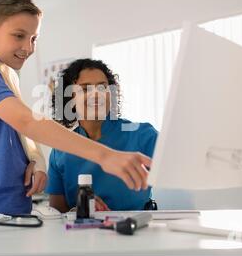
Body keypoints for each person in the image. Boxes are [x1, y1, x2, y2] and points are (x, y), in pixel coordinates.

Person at [0, 0, 151, 215]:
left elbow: (17, 130)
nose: (28, 48)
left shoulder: (6, 75)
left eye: (33, 38)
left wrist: (34, 160)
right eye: (19, 36)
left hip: (15, 205)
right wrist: (106, 156)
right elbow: (28, 121)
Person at [46, 59, 158, 212]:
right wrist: (79, 209)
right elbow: (57, 212)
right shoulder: (60, 151)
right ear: (69, 99)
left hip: (135, 231)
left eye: (103, 87)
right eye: (85, 89)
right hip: (82, 233)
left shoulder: (143, 135)